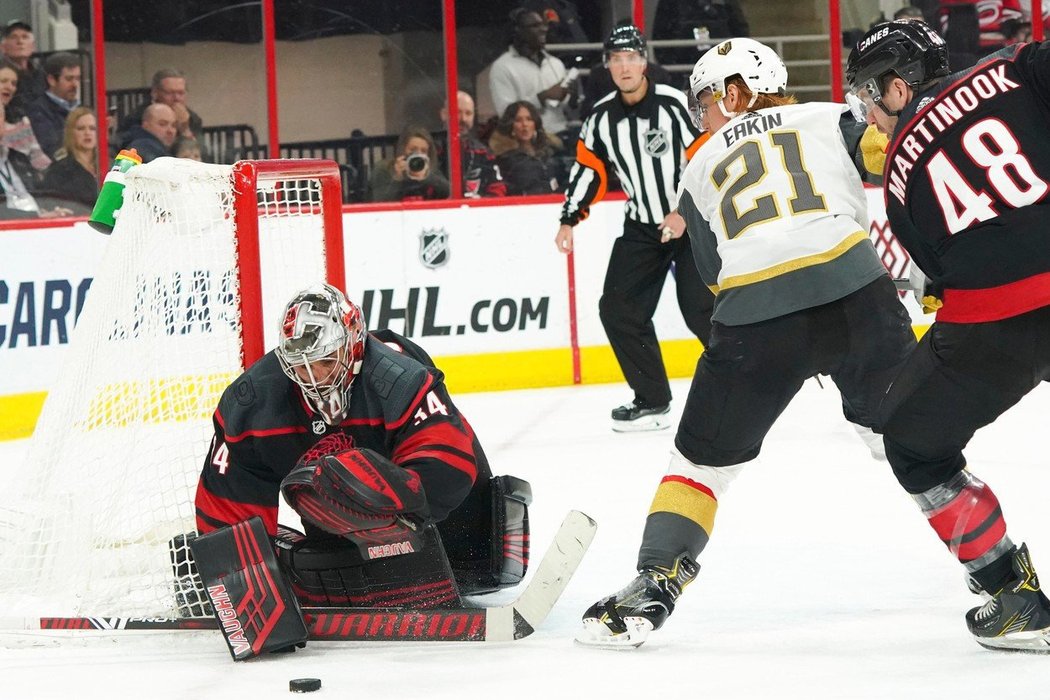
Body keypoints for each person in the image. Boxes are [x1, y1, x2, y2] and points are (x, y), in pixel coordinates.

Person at [575, 37, 918, 648]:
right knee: (919, 445)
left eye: (706, 100)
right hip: (860, 297)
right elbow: (904, 158)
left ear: (734, 93)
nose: (700, 115)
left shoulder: (699, 161)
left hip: (757, 319)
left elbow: (711, 274)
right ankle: (1005, 582)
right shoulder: (834, 117)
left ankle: (654, 584)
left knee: (698, 467)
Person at [845, 20, 1050, 651]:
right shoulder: (1018, 67)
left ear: (899, 88)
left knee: (911, 442)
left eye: (870, 101)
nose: (871, 120)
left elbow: (939, 271)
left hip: (996, 325)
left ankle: (1013, 595)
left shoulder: (901, 175)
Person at [194, 284, 531, 608]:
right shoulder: (251, 403)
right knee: (326, 483)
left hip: (454, 540)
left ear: (353, 346)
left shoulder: (400, 381)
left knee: (345, 477)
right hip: (343, 548)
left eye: (325, 361)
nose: (314, 378)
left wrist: (384, 499)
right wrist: (242, 582)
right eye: (299, 366)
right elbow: (228, 505)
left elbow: (450, 467)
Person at [555, 25, 713, 432]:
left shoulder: (674, 104)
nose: (624, 66)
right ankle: (653, 400)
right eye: (616, 59)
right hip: (643, 226)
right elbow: (589, 170)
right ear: (608, 66)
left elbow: (705, 160)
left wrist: (682, 211)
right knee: (618, 308)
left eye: (631, 57)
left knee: (703, 311)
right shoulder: (601, 117)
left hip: (690, 223)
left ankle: (750, 382)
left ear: (644, 62)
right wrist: (569, 218)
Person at [488, 8, 573, 137]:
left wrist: (571, 97)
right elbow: (506, 114)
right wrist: (542, 97)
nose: (544, 29)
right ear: (517, 30)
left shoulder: (555, 63)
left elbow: (564, 108)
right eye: (535, 26)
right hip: (529, 143)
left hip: (561, 134)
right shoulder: (502, 67)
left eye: (543, 24)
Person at [439, 90, 507, 198]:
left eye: (468, 113)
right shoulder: (432, 149)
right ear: (443, 114)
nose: (463, 119)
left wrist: (479, 206)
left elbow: (498, 190)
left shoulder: (483, 152)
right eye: (457, 112)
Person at [651, 0, 750, 73]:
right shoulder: (671, 3)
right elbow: (660, 36)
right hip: (685, 70)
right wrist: (676, 67)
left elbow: (740, 31)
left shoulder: (724, 3)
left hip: (723, 66)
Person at [488, 100, 564, 195]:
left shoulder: (549, 151)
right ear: (510, 125)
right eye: (518, 120)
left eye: (529, 119)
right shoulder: (506, 159)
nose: (525, 124)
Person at [118, 68, 204, 145]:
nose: (176, 98)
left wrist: (185, 130)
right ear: (155, 93)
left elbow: (202, 156)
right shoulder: (136, 118)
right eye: (170, 93)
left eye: (181, 93)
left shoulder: (193, 119)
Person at [369, 126, 450, 202]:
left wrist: (427, 178)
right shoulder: (383, 169)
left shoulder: (430, 171)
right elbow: (380, 202)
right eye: (413, 150)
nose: (418, 154)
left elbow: (449, 192)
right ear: (402, 150)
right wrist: (397, 179)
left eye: (423, 151)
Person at [41, 106, 98, 213]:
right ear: (71, 133)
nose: (87, 133)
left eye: (92, 128)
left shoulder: (109, 165)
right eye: (81, 128)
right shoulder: (59, 171)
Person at [25, 52, 81, 159]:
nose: (75, 84)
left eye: (77, 78)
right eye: (69, 79)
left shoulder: (81, 108)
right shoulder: (38, 110)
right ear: (51, 80)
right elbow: (52, 149)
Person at [0, 20, 45, 119]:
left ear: (33, 46)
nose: (20, 42)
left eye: (25, 37)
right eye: (13, 37)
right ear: (3, 47)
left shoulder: (41, 74)